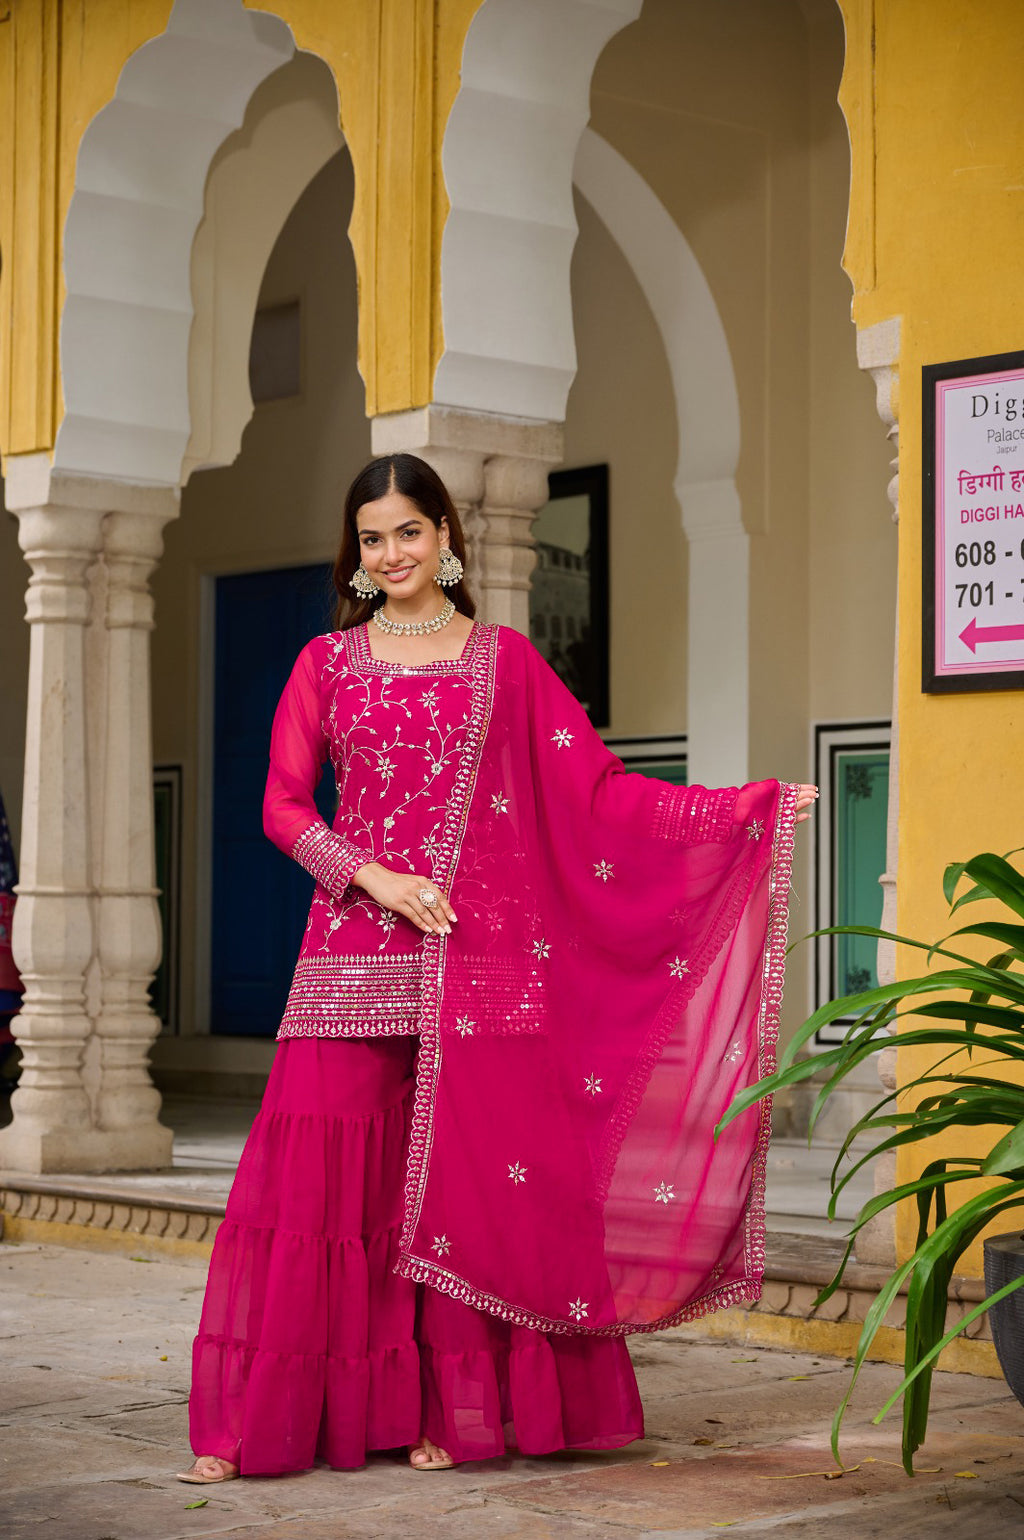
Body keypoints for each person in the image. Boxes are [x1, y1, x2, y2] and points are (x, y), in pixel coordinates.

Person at [178, 453, 817, 1482]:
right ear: (358, 552)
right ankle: (284, 1418)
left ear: (447, 535)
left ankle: (453, 1409)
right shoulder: (325, 662)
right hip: (351, 954)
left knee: (469, 1186)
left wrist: (738, 809)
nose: (392, 554)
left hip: (480, 963)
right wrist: (373, 877)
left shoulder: (505, 661)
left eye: (410, 532)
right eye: (374, 537)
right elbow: (282, 806)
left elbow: (600, 793)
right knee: (326, 1188)